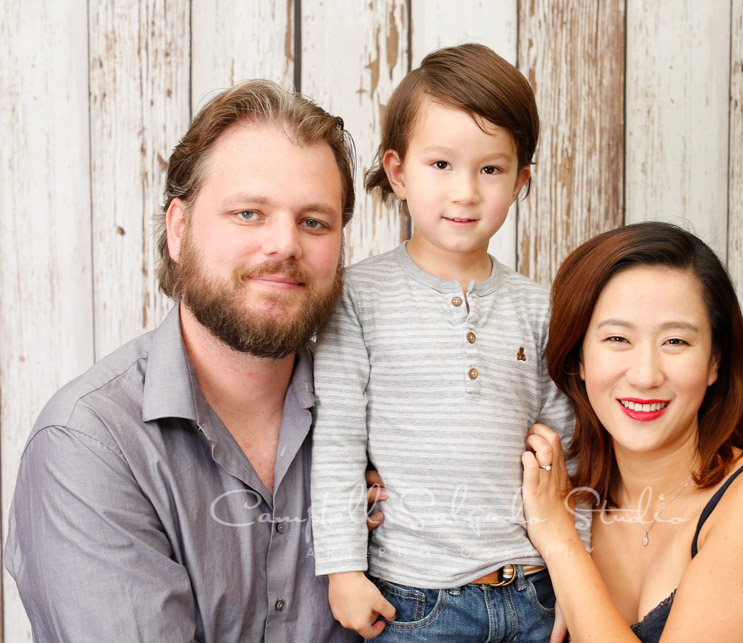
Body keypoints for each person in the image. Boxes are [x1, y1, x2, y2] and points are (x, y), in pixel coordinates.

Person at [5, 79, 380, 642]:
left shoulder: (385, 418)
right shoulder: (88, 446)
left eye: (314, 222)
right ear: (178, 229)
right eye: (249, 213)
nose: (284, 245)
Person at [311, 43, 586, 641]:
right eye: (441, 165)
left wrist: (575, 574)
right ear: (398, 170)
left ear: (521, 181)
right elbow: (336, 438)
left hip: (532, 589)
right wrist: (341, 569)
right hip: (416, 600)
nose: (465, 192)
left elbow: (568, 450)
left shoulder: (540, 306)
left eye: (490, 169)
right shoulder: (357, 297)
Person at [521, 221, 743, 642]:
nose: (646, 375)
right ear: (577, 358)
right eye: (617, 338)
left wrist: (560, 542)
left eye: (675, 342)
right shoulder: (564, 497)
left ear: (715, 363)